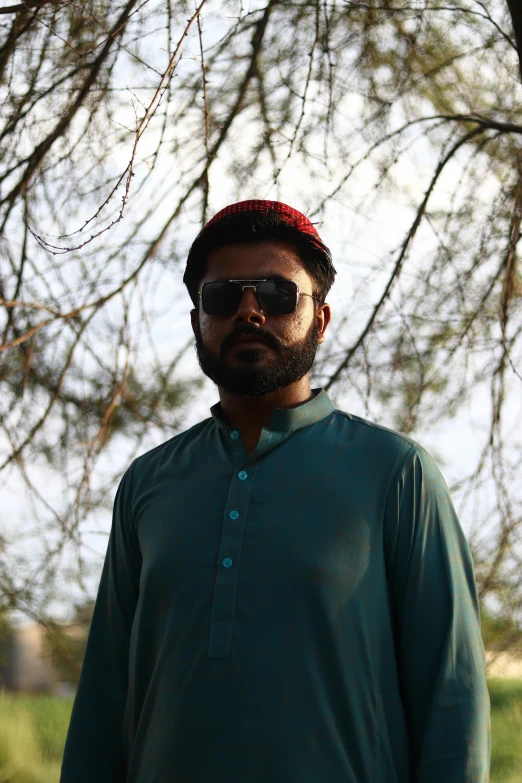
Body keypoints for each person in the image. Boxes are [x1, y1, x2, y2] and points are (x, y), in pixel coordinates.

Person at [60, 200, 490, 783]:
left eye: (276, 293)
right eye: (222, 297)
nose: (249, 311)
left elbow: (452, 697)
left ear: (320, 318)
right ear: (196, 321)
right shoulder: (150, 482)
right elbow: (103, 702)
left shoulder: (397, 474)